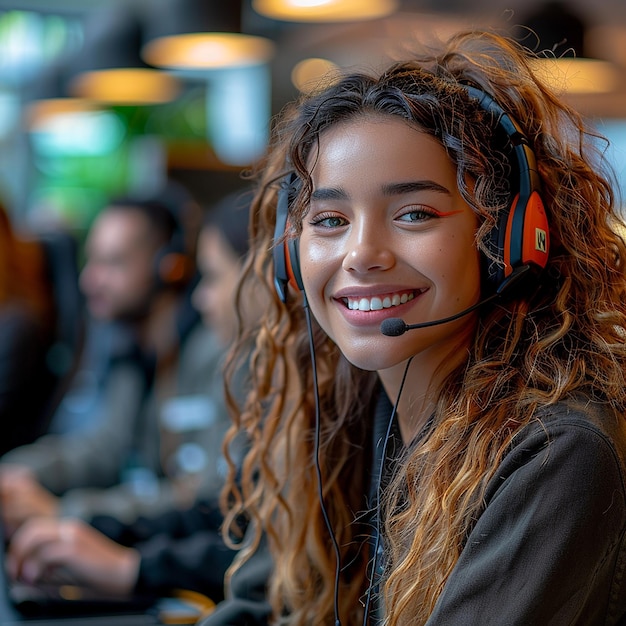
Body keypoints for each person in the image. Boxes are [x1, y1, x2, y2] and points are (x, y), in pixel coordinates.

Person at [199, 29, 626, 625]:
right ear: (288, 256)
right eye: (329, 219)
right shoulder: (349, 412)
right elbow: (268, 608)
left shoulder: (558, 453)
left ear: (506, 241)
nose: (361, 253)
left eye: (414, 214)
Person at [5, 190, 253, 606]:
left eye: (112, 263)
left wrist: (70, 512)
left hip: (181, 561)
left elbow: (205, 493)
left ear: (168, 268)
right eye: (91, 260)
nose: (89, 280)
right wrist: (17, 476)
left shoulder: (221, 352)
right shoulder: (130, 345)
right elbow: (102, 448)